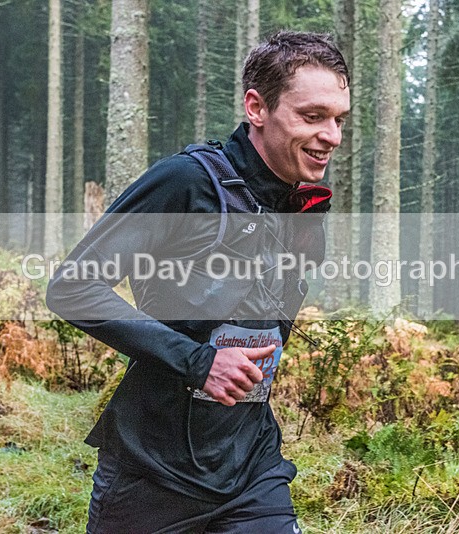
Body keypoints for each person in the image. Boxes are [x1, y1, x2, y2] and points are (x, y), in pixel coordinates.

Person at [46, 30, 350, 534]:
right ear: (257, 107)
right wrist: (200, 361)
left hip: (251, 467)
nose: (332, 136)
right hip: (151, 473)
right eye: (312, 116)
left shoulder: (302, 204)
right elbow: (73, 286)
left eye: (338, 119)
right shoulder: (186, 183)